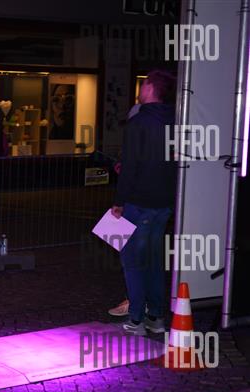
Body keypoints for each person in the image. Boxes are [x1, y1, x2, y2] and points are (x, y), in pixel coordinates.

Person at [111, 69, 177, 335]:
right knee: (153, 261)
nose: (140, 89)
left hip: (138, 202)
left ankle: (136, 319)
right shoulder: (175, 122)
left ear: (150, 88)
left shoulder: (138, 123)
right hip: (164, 204)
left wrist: (119, 202)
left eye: (143, 85)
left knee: (132, 261)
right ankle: (156, 317)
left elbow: (130, 166)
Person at [108, 102, 142, 318]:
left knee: (130, 256)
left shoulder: (137, 140)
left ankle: (135, 303)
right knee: (138, 255)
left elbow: (130, 172)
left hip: (133, 203)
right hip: (144, 203)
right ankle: (137, 300)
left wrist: (119, 202)